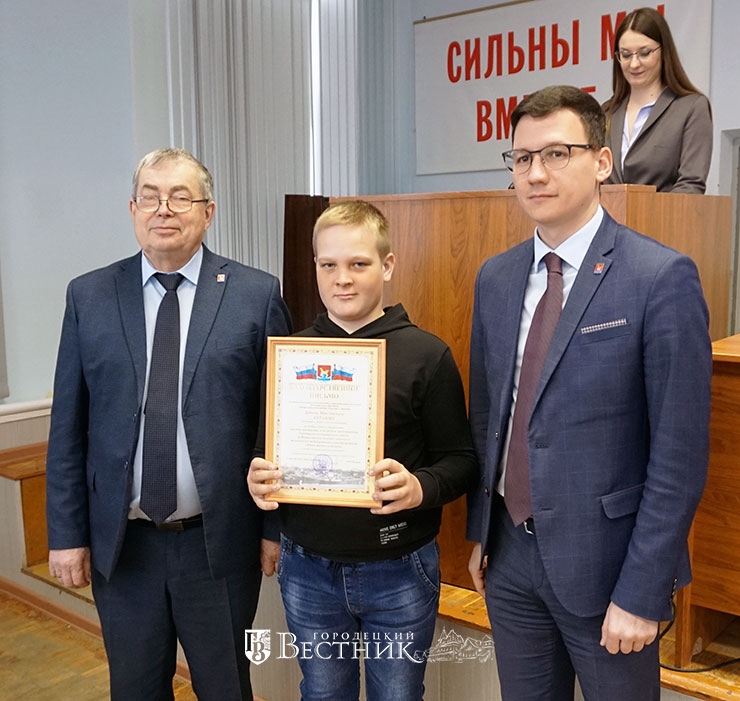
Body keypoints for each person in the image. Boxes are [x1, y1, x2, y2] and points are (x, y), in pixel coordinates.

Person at [468, 85, 711, 700]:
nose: (535, 173)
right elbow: (489, 416)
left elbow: (679, 456)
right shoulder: (496, 277)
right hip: (510, 559)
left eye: (556, 153)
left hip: (609, 570)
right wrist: (480, 534)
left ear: (602, 162)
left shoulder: (659, 277)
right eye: (522, 158)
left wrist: (644, 589)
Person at [45, 147, 292, 700]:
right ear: (133, 209)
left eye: (181, 197)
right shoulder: (89, 295)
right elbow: (68, 426)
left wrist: (273, 529)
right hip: (122, 547)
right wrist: (65, 535)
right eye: (151, 196)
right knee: (134, 689)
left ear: (208, 212)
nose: (164, 209)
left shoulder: (256, 295)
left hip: (218, 544)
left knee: (226, 687)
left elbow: (274, 423)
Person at [248, 200, 478, 701]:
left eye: (358, 263)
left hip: (398, 568)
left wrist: (419, 487)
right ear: (315, 267)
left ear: (387, 265)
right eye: (328, 264)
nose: (342, 279)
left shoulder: (427, 354)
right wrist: (258, 478)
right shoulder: (290, 354)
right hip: (307, 568)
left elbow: (461, 462)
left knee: (397, 696)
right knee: (322, 694)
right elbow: (266, 451)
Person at [602, 7, 712, 194]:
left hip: (666, 213)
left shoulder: (691, 108)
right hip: (608, 213)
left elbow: (691, 185)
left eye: (644, 53)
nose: (634, 64)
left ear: (664, 52)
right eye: (626, 54)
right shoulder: (605, 112)